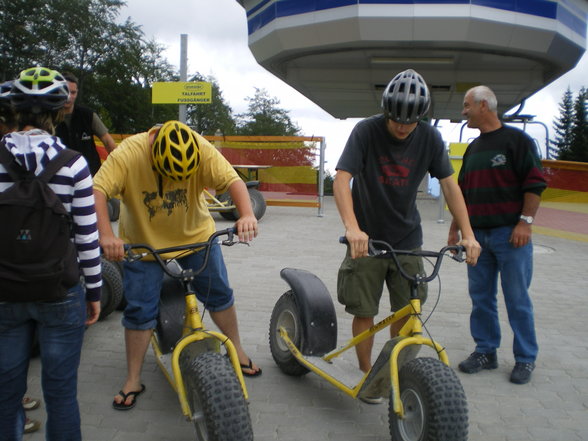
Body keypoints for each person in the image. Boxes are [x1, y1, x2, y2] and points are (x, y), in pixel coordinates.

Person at [333, 69, 481, 402]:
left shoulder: (429, 138)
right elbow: (342, 179)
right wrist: (353, 229)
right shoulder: (366, 131)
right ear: (386, 111)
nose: (402, 127)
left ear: (421, 118)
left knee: (407, 311)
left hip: (408, 239)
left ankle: (393, 373)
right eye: (396, 120)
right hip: (367, 241)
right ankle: (366, 373)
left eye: (410, 122)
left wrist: (468, 234)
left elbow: (449, 184)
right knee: (364, 310)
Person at [93, 120, 261, 411]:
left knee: (220, 294)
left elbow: (233, 180)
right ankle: (133, 378)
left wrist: (246, 215)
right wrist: (106, 236)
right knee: (139, 310)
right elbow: (96, 191)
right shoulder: (129, 153)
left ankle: (238, 350)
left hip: (196, 238)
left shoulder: (200, 147)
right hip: (144, 245)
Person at [0, 66, 102, 440]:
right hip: (60, 291)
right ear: (60, 112)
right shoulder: (74, 163)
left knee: (4, 396)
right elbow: (87, 239)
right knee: (60, 395)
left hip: (3, 292)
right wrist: (94, 293)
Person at [448, 85, 546, 385]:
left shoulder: (518, 141)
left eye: (467, 105)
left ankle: (525, 358)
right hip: (477, 238)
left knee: (517, 299)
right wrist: (455, 230)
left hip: (510, 236)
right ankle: (486, 351)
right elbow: (461, 194)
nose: (463, 112)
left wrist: (525, 223)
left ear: (484, 106)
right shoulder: (474, 149)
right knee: (481, 298)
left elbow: (535, 184)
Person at [0, 80, 43, 436]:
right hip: (52, 284)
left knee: (8, 367)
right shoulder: (67, 161)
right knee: (61, 392)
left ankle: (17, 405)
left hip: (7, 278)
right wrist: (93, 291)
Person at [55, 72, 117, 176]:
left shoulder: (88, 115)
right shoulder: (48, 117)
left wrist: (118, 164)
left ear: (77, 93)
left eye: (73, 92)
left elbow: (107, 140)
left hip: (91, 175)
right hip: (60, 177)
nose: (69, 97)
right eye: (65, 92)